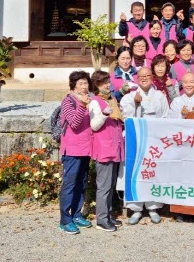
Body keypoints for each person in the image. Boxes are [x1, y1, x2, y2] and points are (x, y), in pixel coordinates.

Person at [120, 67, 170, 225]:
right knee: (136, 173)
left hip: (154, 141)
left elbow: (166, 116)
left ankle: (153, 208)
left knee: (153, 172)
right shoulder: (129, 97)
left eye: (148, 75)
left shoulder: (160, 96)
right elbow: (125, 118)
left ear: (152, 77)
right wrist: (136, 104)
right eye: (141, 76)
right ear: (137, 78)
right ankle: (136, 209)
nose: (144, 78)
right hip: (137, 142)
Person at [168, 72, 194, 224]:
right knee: (180, 178)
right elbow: (170, 122)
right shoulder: (177, 101)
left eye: (191, 82)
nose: (188, 85)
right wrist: (182, 116)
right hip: (180, 146)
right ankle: (181, 211)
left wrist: (189, 115)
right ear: (182, 84)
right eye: (185, 82)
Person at [88, 71, 124, 232]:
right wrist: (104, 114)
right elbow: (94, 125)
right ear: (97, 85)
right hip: (104, 148)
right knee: (104, 186)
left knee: (110, 184)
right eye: (104, 83)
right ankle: (101, 219)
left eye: (108, 82)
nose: (108, 85)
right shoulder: (95, 102)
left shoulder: (111, 99)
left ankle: (108, 215)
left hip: (114, 147)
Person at [59, 71, 93, 235]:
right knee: (70, 184)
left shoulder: (89, 99)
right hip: (72, 150)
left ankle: (77, 214)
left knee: (81, 183)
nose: (84, 86)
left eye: (86, 83)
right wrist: (83, 106)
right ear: (74, 86)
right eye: (80, 83)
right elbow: (74, 123)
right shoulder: (68, 101)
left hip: (86, 149)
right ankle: (65, 220)